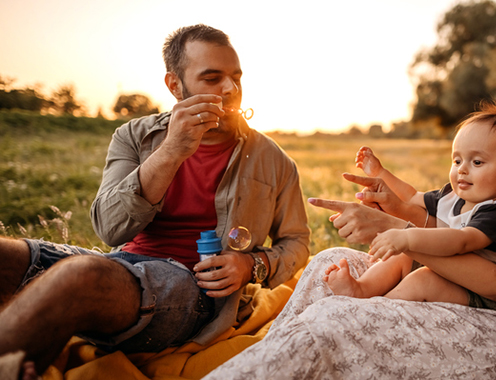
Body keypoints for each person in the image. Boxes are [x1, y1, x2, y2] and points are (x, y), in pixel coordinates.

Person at [202, 30, 496, 380]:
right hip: (473, 289)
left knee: (340, 323)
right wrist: (396, 210)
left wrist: (394, 231)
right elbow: (462, 216)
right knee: (332, 262)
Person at [0, 24, 310, 379]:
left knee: (80, 274)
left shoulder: (275, 160)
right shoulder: (133, 136)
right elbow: (110, 229)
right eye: (212, 78)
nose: (230, 89)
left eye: (235, 78)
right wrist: (172, 150)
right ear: (175, 85)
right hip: (121, 267)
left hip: (198, 294)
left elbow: (297, 241)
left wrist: (253, 265)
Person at [324, 101, 496, 310]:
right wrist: (380, 174)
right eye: (457, 161)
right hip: (450, 274)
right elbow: (411, 195)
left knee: (423, 278)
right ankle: (360, 289)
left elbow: (462, 241)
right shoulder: (451, 197)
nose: (462, 170)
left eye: (477, 162)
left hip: (484, 295)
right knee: (405, 255)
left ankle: (379, 310)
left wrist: (406, 236)